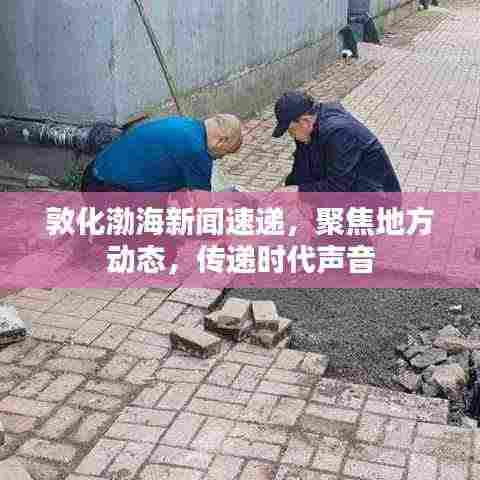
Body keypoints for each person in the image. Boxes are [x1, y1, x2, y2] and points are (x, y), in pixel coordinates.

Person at [271, 90, 401, 194]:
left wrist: (299, 192)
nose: (292, 135)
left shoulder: (339, 132)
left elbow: (338, 187)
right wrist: (288, 189)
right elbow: (302, 165)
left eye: (291, 130)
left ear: (305, 121)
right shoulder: (308, 128)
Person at [81, 113, 243, 192]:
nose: (219, 158)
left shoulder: (186, 125)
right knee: (163, 243)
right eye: (224, 154)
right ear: (221, 141)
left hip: (94, 176)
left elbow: (185, 192)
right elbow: (203, 207)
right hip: (106, 191)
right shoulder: (197, 151)